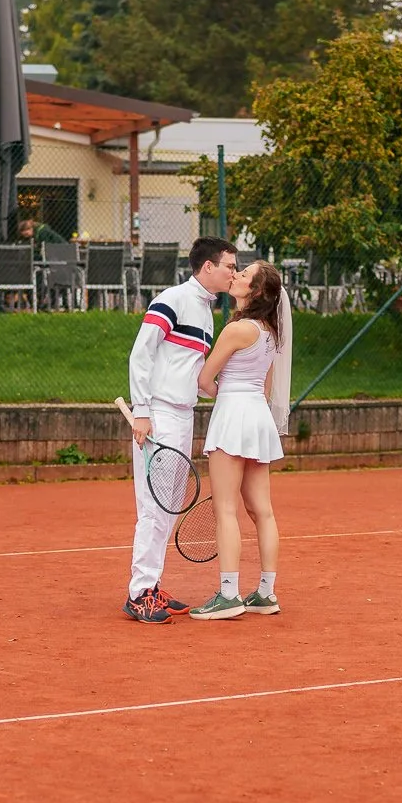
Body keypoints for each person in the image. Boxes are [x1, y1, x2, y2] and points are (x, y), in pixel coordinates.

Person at [123, 236, 238, 624]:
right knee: (153, 509)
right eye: (229, 266)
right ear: (208, 267)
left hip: (182, 415)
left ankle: (151, 586)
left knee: (167, 507)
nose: (233, 273)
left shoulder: (206, 311)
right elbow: (142, 353)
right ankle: (139, 594)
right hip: (159, 415)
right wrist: (142, 411)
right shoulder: (172, 298)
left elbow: (190, 371)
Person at [190, 261, 289, 620]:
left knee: (226, 509)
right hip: (258, 418)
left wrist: (222, 394)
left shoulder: (236, 330)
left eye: (244, 275)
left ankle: (228, 595)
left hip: (234, 417)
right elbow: (265, 386)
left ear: (257, 292)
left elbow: (204, 380)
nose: (236, 276)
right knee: (261, 510)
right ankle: (266, 593)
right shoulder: (270, 332)